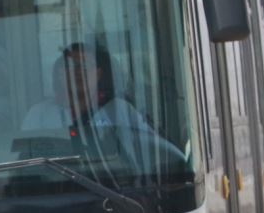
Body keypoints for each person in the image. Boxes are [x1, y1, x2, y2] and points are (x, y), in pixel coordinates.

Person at [19, 42, 185, 169]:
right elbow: (25, 161)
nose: (78, 71)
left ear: (98, 74)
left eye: (85, 66)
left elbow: (152, 150)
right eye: (70, 66)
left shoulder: (119, 110)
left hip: (113, 191)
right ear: (59, 74)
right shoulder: (39, 114)